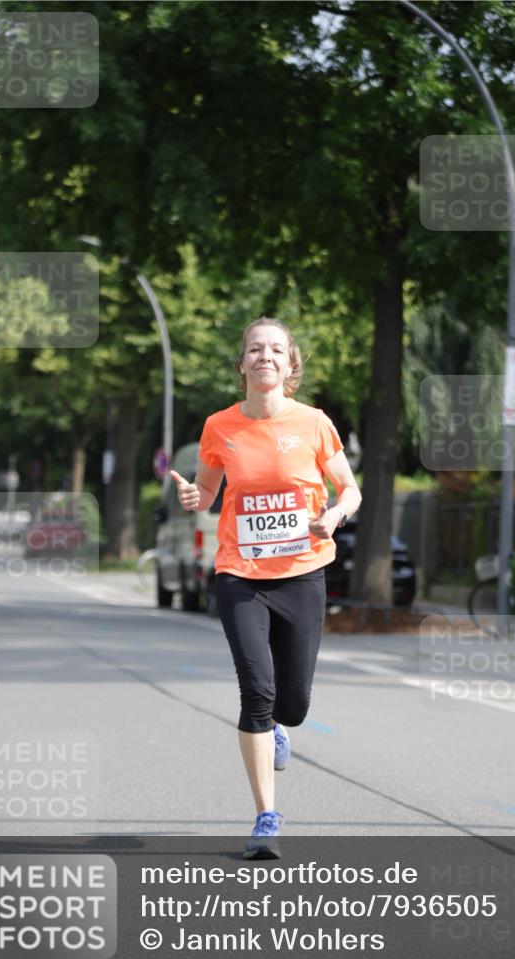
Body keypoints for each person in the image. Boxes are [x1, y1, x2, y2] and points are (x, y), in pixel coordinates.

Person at [170, 317, 362, 859]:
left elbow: (350, 490)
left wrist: (337, 514)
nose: (265, 357)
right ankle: (266, 818)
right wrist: (194, 500)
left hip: (302, 572)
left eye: (276, 349)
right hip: (240, 576)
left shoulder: (314, 423)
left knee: (292, 703)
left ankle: (281, 727)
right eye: (255, 349)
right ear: (242, 364)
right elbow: (206, 494)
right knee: (257, 692)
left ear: (289, 364)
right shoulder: (219, 426)